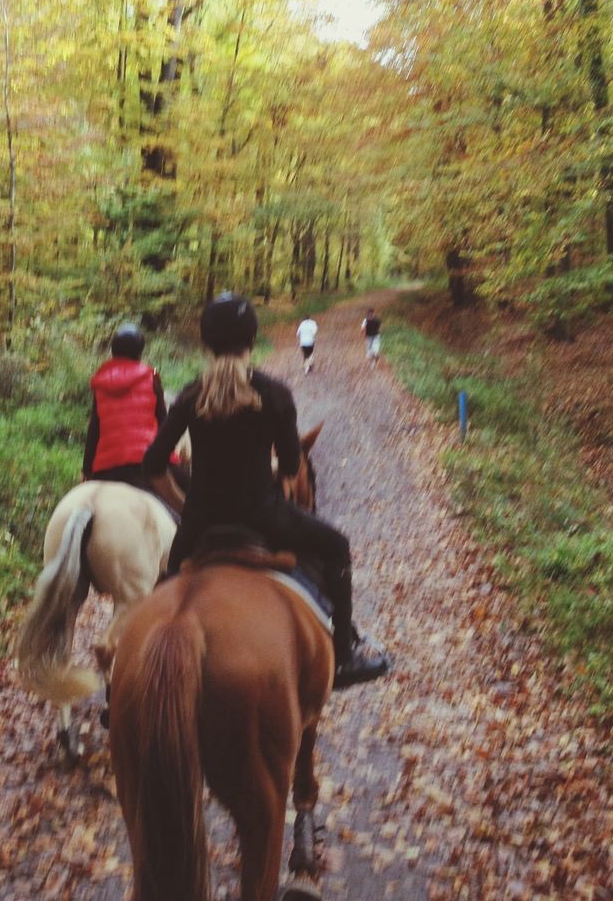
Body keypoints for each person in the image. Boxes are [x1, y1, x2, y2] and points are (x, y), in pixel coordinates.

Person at [143, 292, 389, 690]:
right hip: (265, 518)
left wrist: (184, 504)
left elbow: (154, 464)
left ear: (206, 343)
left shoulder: (190, 394)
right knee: (337, 546)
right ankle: (343, 656)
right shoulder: (274, 393)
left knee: (158, 593)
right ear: (252, 339)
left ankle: (124, 681)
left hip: (199, 525)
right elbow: (292, 466)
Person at [82, 322, 185, 513]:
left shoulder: (100, 383)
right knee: (192, 498)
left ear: (113, 351)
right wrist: (173, 458)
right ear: (140, 351)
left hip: (107, 468)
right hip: (144, 464)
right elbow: (164, 425)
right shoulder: (151, 378)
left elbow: (94, 429)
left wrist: (87, 469)